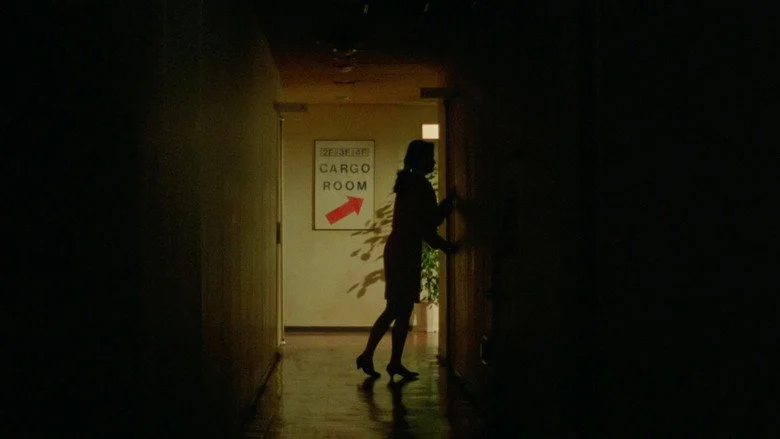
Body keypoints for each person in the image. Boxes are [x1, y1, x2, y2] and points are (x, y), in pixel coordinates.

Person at [356, 139, 458, 380]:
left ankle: (389, 360)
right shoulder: (420, 185)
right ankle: (372, 356)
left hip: (400, 249)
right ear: (420, 159)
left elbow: (420, 223)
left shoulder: (407, 183)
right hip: (405, 251)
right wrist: (446, 210)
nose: (433, 162)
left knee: (400, 309)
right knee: (397, 308)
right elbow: (428, 223)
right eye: (430, 157)